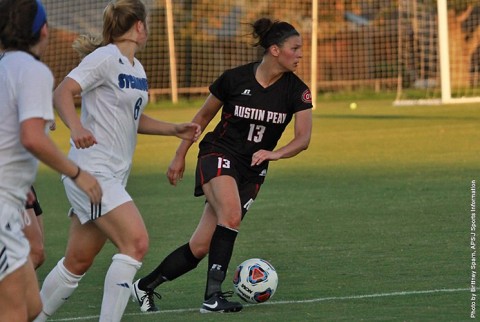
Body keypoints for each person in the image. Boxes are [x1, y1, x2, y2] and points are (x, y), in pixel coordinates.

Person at [33, 1, 201, 321]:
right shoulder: (105, 57)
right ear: (139, 26)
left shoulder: (136, 68)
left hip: (112, 175)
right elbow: (62, 92)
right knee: (136, 242)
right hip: (91, 172)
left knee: (77, 261)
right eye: (146, 24)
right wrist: (77, 126)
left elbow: (131, 118)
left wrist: (173, 130)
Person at [131, 17, 313, 313]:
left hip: (252, 171)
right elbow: (201, 119)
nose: (301, 54)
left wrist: (274, 154)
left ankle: (144, 287)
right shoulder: (234, 79)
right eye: (295, 48)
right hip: (218, 153)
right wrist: (180, 155)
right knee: (230, 216)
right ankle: (212, 298)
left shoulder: (297, 90)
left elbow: (303, 138)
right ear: (275, 50)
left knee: (201, 246)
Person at [0, 0, 103, 321]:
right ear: (43, 30)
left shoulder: (5, 66)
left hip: (10, 201)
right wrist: (77, 173)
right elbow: (32, 137)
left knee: (32, 307)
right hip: (2, 204)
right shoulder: (32, 70)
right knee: (15, 311)